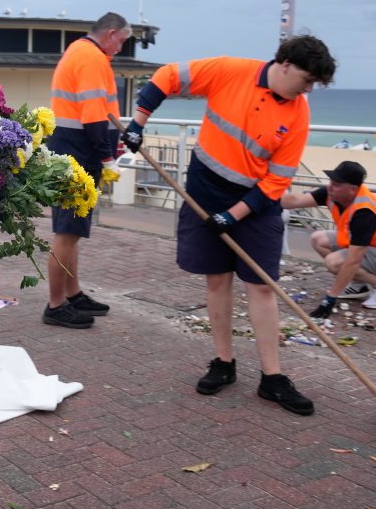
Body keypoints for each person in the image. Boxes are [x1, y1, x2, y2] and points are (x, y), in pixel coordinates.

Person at [121, 35, 336, 415]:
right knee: (217, 279)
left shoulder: (298, 112)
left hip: (255, 204)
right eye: (307, 79)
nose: (308, 89)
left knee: (262, 285)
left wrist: (233, 215)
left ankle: (272, 378)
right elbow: (168, 76)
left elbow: (276, 182)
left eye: (314, 85)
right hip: (205, 189)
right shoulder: (229, 71)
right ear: (285, 64)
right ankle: (224, 363)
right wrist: (138, 122)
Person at [41, 12, 130, 329]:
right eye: (121, 41)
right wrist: (107, 156)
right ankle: (55, 305)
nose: (119, 48)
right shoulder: (92, 58)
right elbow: (94, 115)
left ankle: (72, 293)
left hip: (71, 147)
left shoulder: (80, 51)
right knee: (66, 231)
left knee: (73, 230)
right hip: (78, 151)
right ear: (110, 33)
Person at [281, 161, 376, 313]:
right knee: (318, 239)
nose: (330, 187)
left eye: (336, 184)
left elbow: (353, 261)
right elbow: (295, 201)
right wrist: (263, 199)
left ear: (353, 189)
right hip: (369, 244)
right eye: (331, 181)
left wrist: (330, 299)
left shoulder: (364, 212)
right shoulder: (331, 193)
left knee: (333, 262)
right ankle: (358, 284)